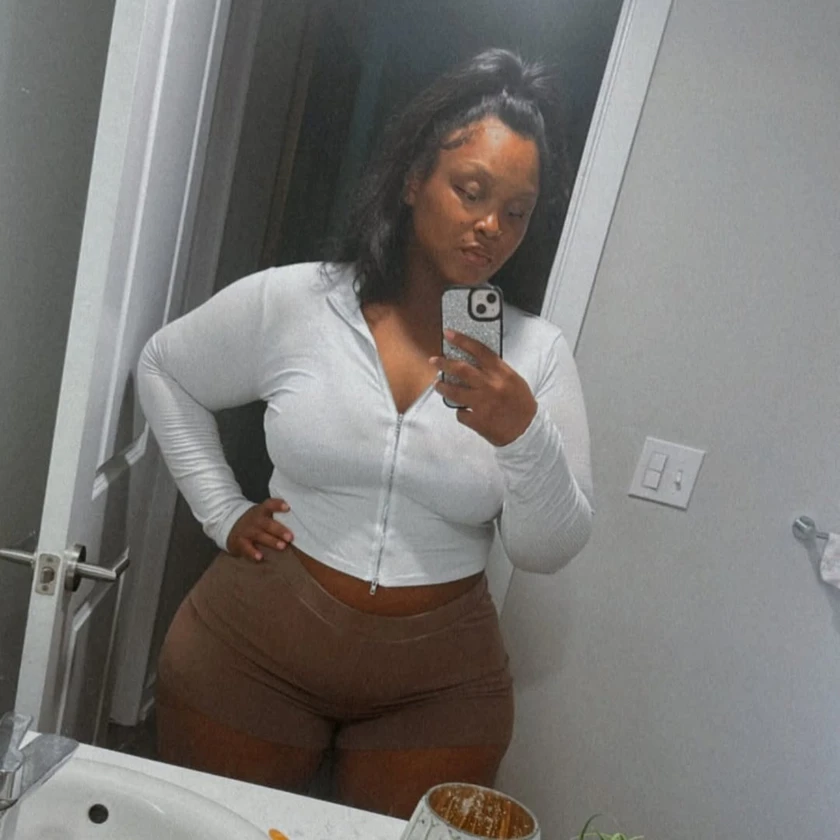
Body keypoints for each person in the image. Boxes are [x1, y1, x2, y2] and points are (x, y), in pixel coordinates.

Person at [137, 47, 594, 818]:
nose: (491, 225)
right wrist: (222, 510)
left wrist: (522, 432)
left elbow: (548, 548)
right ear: (414, 179)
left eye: (517, 212)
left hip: (437, 688)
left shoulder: (536, 354)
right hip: (253, 650)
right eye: (471, 191)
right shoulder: (298, 302)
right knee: (217, 830)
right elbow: (165, 369)